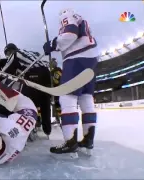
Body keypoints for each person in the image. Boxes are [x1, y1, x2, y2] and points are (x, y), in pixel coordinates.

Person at [43, 9, 98, 155]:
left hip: (76, 58)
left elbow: (70, 34)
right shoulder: (83, 20)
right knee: (86, 97)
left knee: (67, 97)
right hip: (91, 59)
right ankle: (88, 139)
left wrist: (54, 44)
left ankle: (70, 141)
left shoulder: (67, 16)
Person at [0, 43, 52, 137]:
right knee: (45, 101)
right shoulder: (28, 53)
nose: (7, 56)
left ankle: (30, 126)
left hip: (34, 74)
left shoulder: (14, 54)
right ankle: (47, 129)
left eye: (7, 54)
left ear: (10, 51)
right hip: (46, 73)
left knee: (28, 102)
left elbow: (5, 71)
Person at [50, 58, 62, 125]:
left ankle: (60, 119)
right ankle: (57, 119)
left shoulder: (57, 71)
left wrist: (51, 78)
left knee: (58, 106)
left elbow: (56, 81)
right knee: (55, 106)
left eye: (51, 64)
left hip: (58, 90)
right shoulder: (53, 71)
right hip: (55, 91)